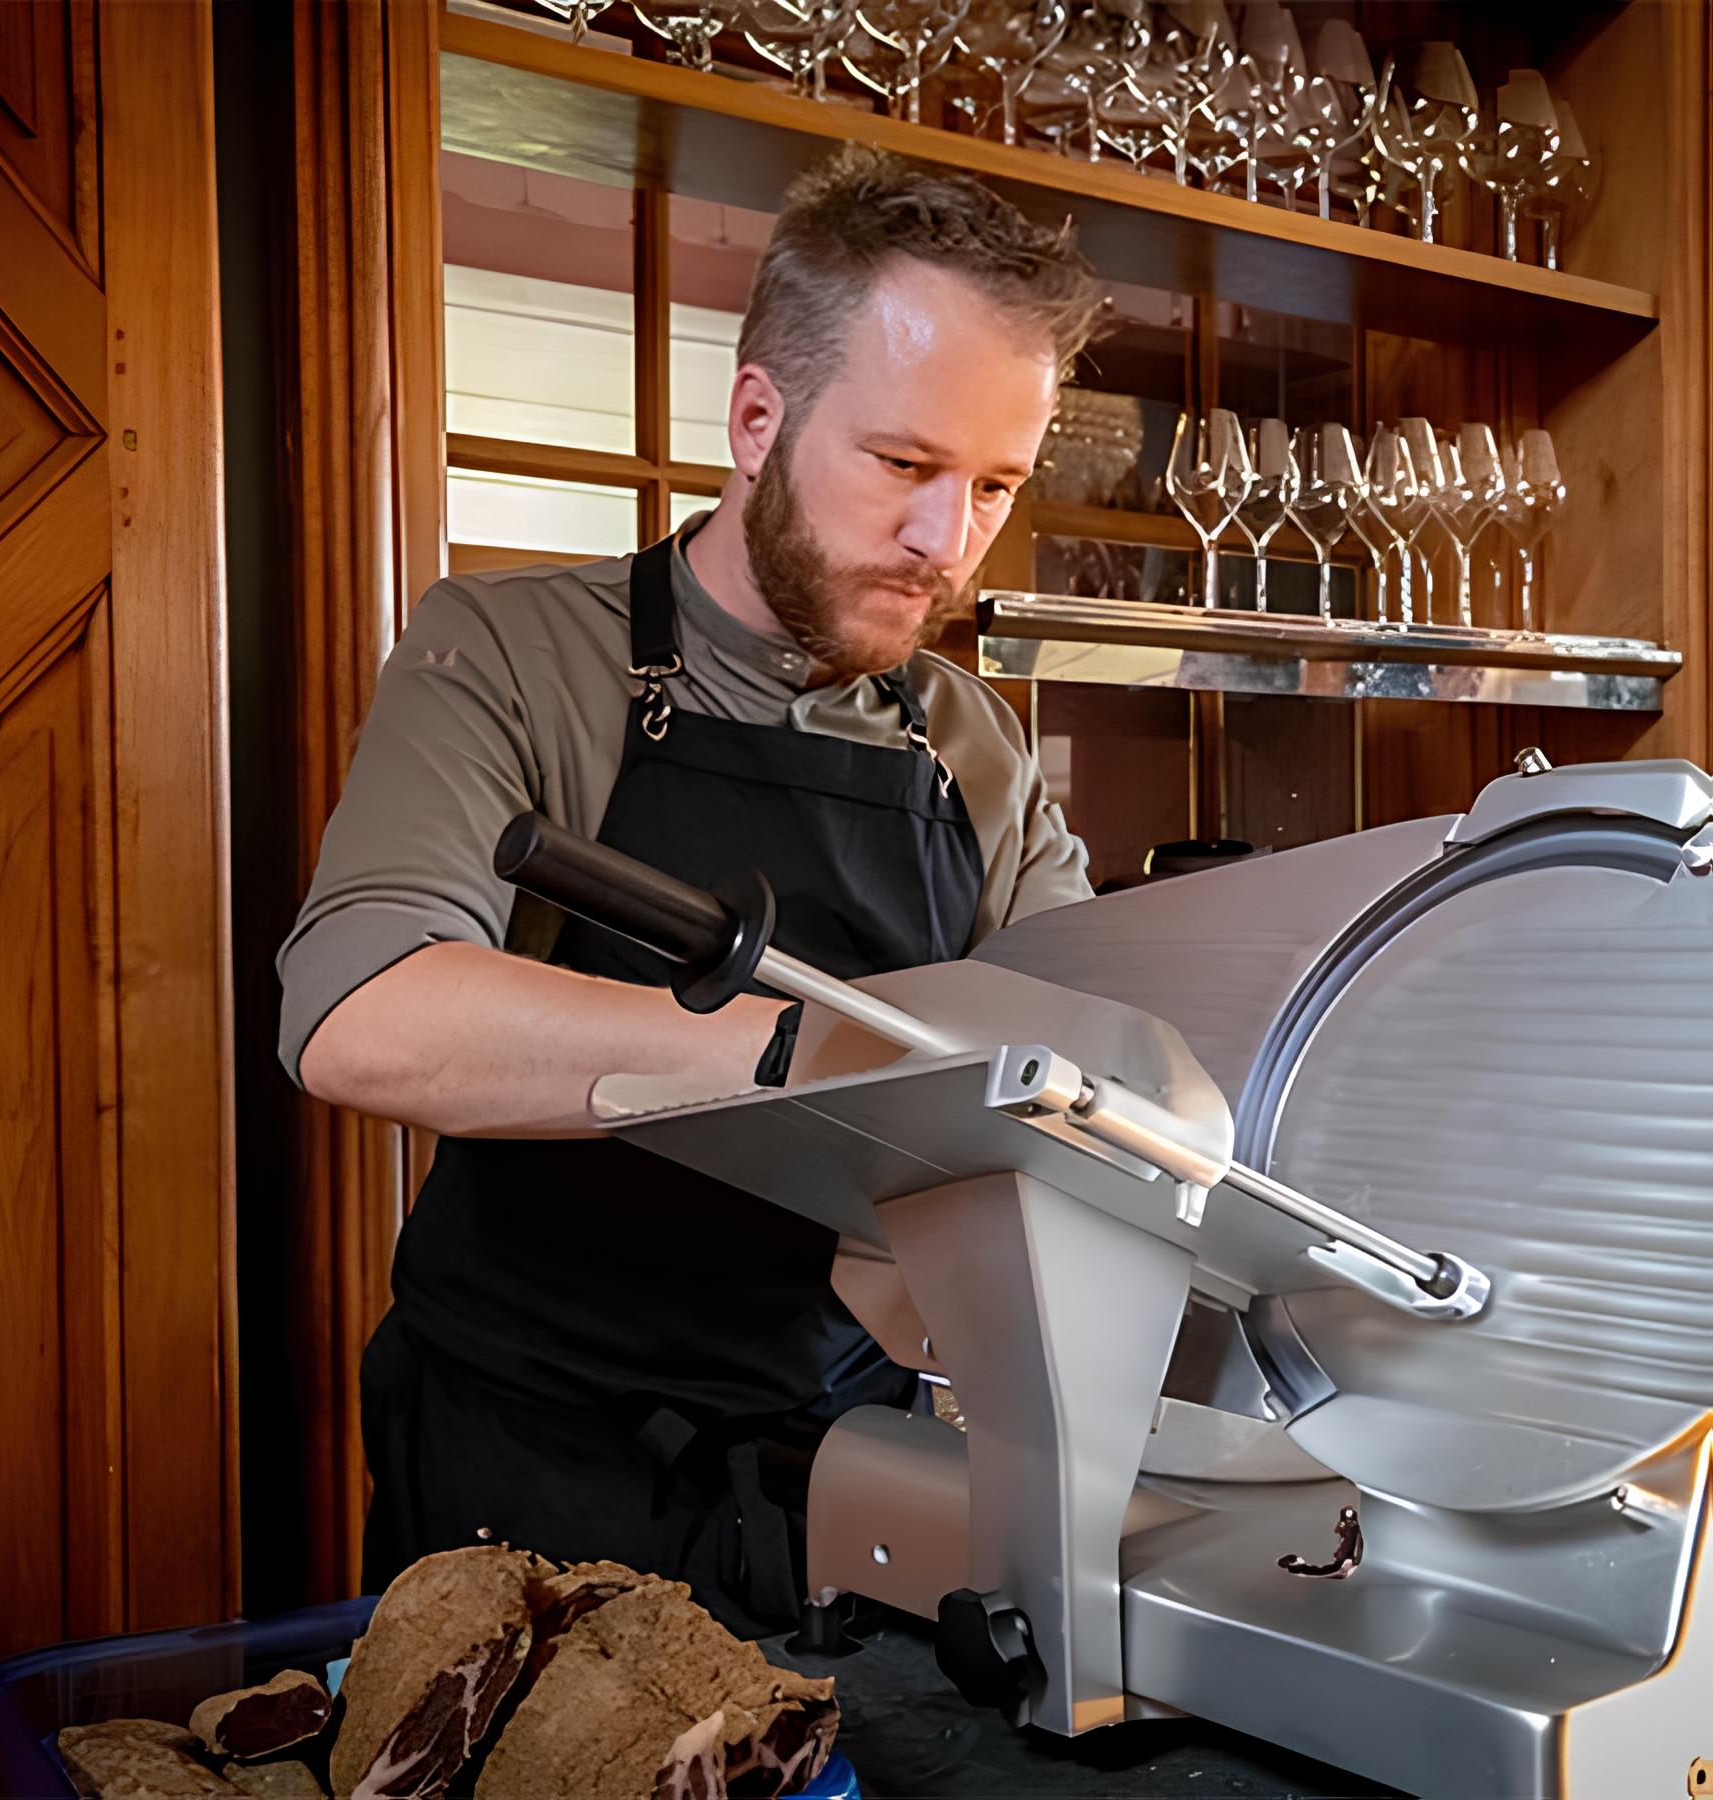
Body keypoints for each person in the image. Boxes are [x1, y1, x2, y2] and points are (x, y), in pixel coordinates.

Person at [278, 144, 1103, 1634]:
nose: (947, 542)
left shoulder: (975, 746)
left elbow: (1075, 1077)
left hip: (843, 1471)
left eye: (994, 485)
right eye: (907, 466)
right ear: (754, 416)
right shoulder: (513, 652)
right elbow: (360, 1011)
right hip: (525, 1466)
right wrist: (812, 1065)